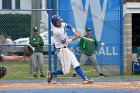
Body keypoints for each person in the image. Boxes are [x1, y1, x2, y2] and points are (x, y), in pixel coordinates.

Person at [47, 15, 93, 84]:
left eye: (59, 21)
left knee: (76, 63)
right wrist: (75, 38)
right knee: (66, 71)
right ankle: (51, 73)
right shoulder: (57, 32)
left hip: (66, 49)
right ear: (55, 23)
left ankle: (85, 79)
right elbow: (65, 42)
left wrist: (74, 32)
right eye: (58, 22)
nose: (60, 22)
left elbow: (68, 26)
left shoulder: (60, 25)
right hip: (62, 50)